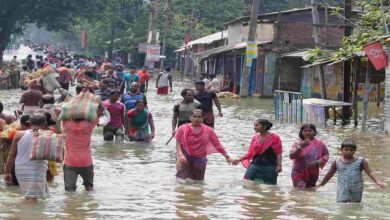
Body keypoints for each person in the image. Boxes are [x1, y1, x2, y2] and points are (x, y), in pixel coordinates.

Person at [317, 140, 384, 203]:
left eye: (351, 150)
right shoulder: (337, 162)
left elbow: (369, 172)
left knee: (355, 204)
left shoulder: (361, 161)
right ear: (341, 150)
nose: (348, 152)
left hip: (357, 187)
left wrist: (377, 181)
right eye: (346, 149)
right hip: (342, 188)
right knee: (341, 203)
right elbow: (330, 174)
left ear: (355, 151)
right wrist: (321, 184)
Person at [175, 109, 232, 181]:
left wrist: (227, 157)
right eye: (194, 116)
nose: (196, 119)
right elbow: (178, 143)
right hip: (184, 157)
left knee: (198, 182)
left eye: (199, 117)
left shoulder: (208, 130)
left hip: (200, 158)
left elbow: (218, 145)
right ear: (190, 117)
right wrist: (180, 155)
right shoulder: (182, 128)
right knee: (181, 180)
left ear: (203, 118)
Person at [4, 113, 49, 202]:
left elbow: (11, 155)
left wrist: (8, 172)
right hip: (38, 169)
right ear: (44, 124)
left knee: (29, 196)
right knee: (32, 198)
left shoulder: (19, 134)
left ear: (29, 123)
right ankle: (29, 215)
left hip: (21, 169)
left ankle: (22, 213)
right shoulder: (48, 135)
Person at [232, 119, 282, 185]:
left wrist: (279, 165)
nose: (254, 127)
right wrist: (239, 160)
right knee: (247, 182)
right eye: (254, 125)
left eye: (257, 125)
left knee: (270, 186)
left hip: (270, 166)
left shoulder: (275, 137)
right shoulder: (255, 138)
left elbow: (278, 153)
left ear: (264, 126)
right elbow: (250, 153)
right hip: (255, 165)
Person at [62, 116, 99, 192]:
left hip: (70, 162)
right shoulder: (88, 125)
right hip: (86, 162)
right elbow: (98, 112)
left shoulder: (67, 125)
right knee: (89, 188)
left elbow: (60, 112)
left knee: (70, 191)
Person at [289, 124, 329, 189]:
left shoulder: (320, 144)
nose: (307, 132)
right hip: (298, 171)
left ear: (315, 132)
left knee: (310, 191)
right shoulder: (297, 143)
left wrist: (317, 162)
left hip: (313, 171)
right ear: (301, 132)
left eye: (310, 131)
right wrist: (301, 147)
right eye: (305, 131)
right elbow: (291, 156)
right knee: (299, 190)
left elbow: (326, 155)